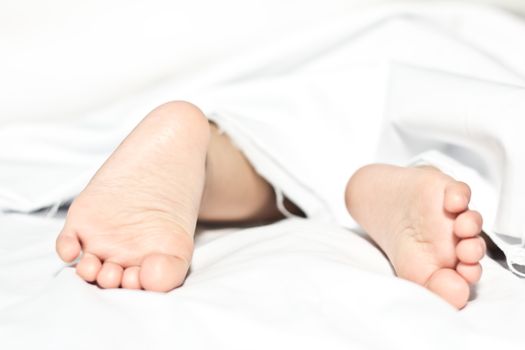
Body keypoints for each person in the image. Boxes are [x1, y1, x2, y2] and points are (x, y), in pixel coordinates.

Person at [55, 100, 485, 310]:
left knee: (274, 160)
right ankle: (384, 187)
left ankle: (206, 158)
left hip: (331, 90)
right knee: (487, 158)